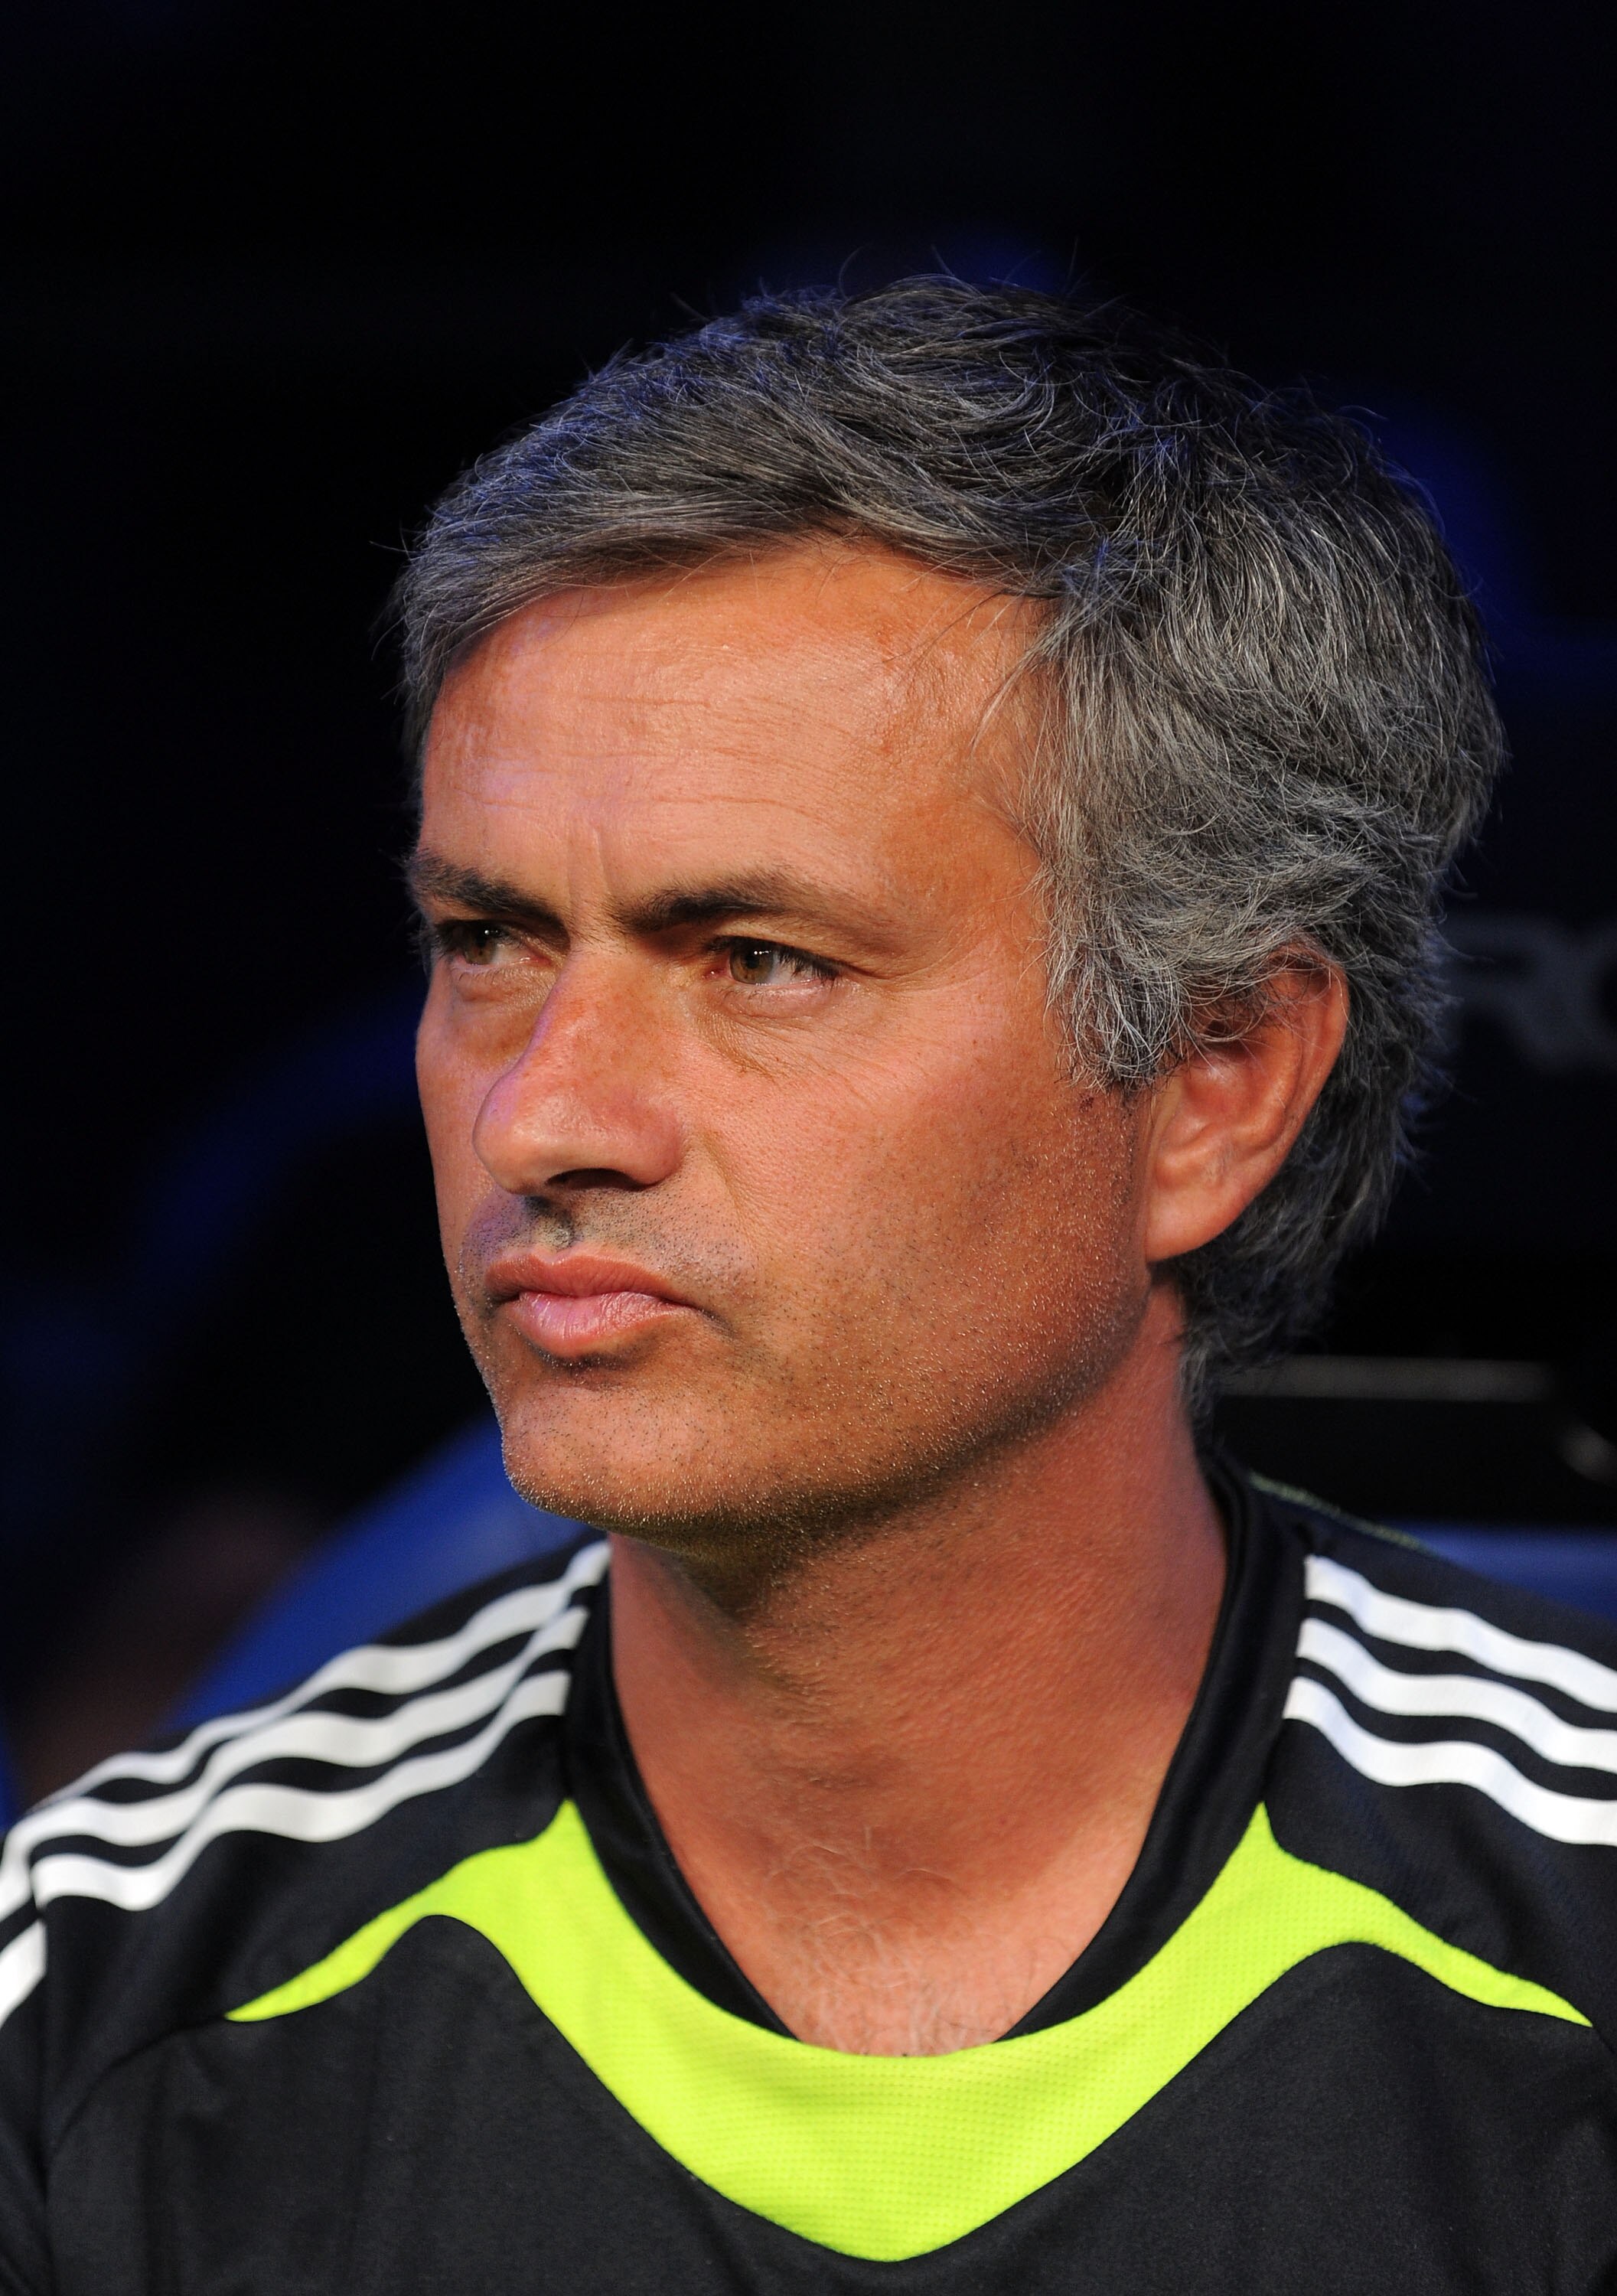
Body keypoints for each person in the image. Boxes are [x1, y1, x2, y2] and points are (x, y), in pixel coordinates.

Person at [1, 280, 1611, 2295]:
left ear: (1214, 1085)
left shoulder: (1573, 1916)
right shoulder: (96, 1984)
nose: (541, 1117)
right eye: (488, 938)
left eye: (759, 958)